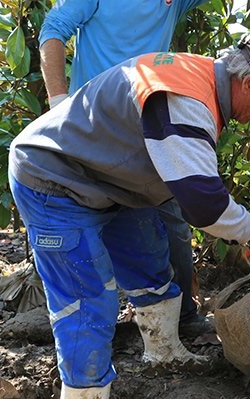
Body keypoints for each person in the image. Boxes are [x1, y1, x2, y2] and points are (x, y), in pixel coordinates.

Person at [9, 33, 250, 399]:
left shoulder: (198, 80)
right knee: (88, 303)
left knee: (149, 260)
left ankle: (163, 352)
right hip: (55, 180)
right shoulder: (184, 98)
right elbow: (204, 204)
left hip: (109, 180)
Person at [39, 0, 213, 338]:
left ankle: (182, 317)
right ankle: (89, 322)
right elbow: (53, 31)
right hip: (91, 128)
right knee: (84, 220)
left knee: (174, 221)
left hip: (143, 128)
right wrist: (58, 106)